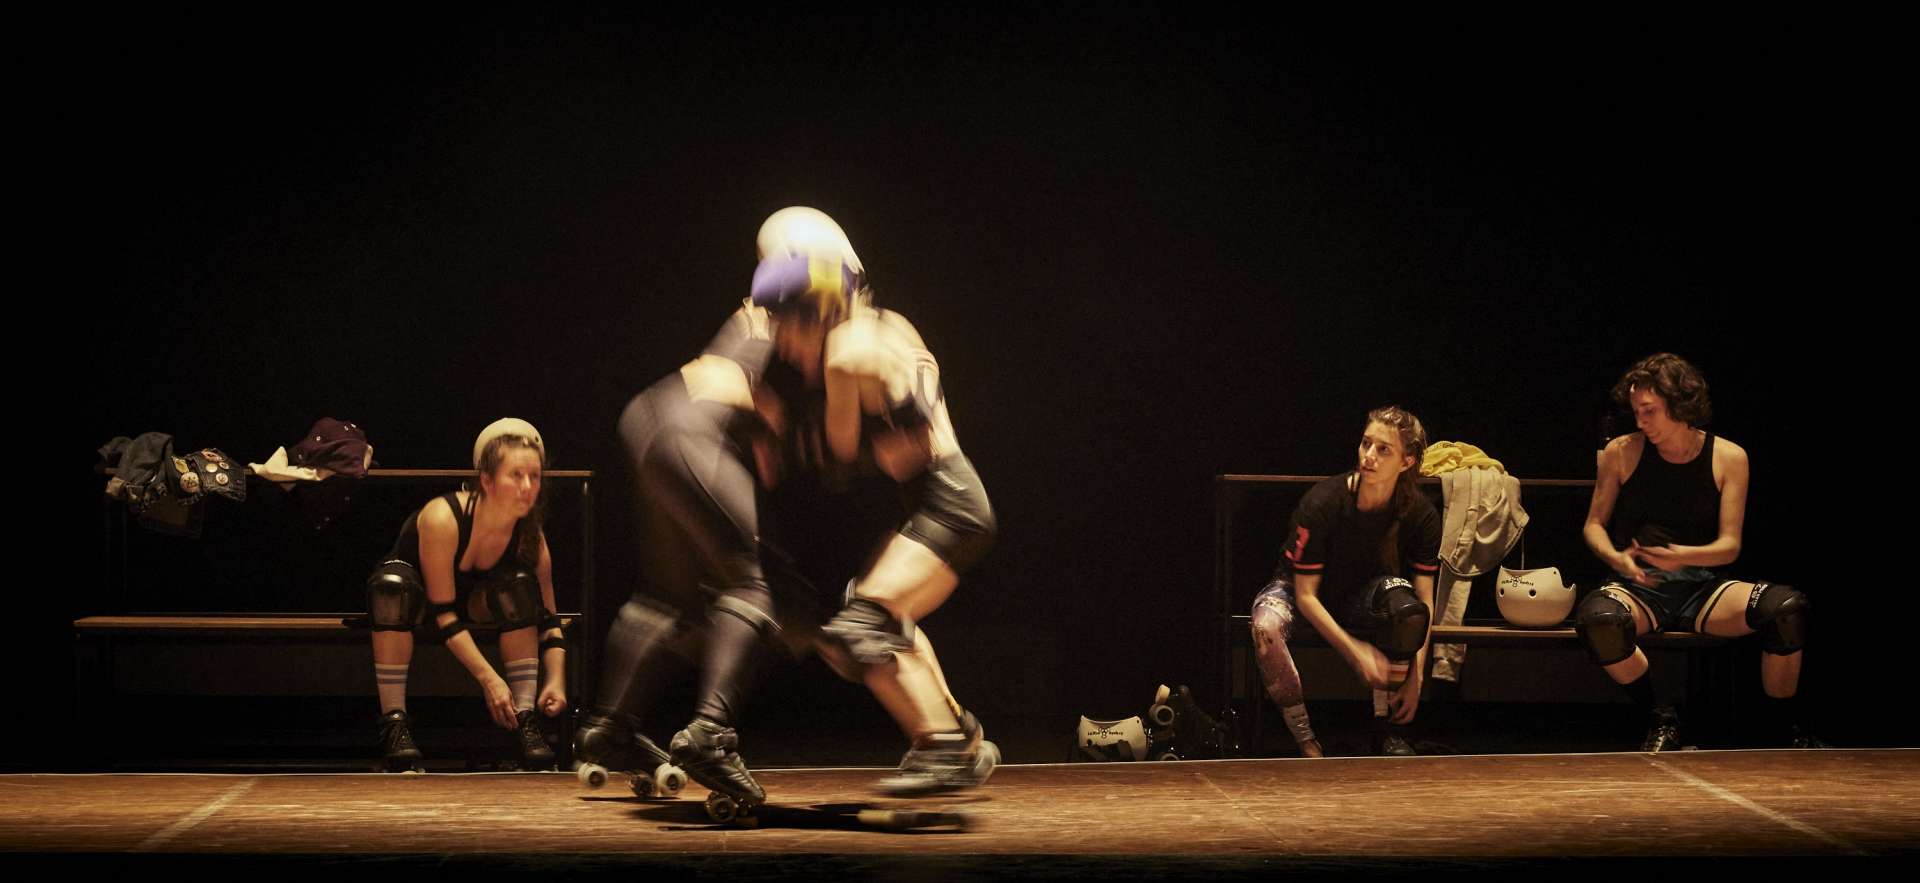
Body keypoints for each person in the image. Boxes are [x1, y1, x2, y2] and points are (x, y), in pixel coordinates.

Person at [750, 206, 1000, 794]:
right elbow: (903, 443)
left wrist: (782, 435)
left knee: (862, 628)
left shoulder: (843, 353)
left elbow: (842, 457)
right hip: (950, 500)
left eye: (784, 326)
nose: (782, 345)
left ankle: (943, 751)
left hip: (949, 505)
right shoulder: (891, 326)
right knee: (878, 615)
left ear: (815, 308)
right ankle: (956, 734)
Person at [1577, 353, 1815, 751]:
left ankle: (1782, 731)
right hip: (1640, 587)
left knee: (1786, 609)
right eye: (1636, 412)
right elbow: (1594, 525)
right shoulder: (1622, 451)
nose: (1640, 422)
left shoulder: (1729, 457)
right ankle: (1659, 715)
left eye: (1649, 411)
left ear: (1679, 404)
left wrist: (1683, 556)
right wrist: (1616, 558)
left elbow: (1729, 547)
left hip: (1704, 589)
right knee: (1599, 621)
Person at [368, 418, 567, 770]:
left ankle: (524, 718)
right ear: (487, 480)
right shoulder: (443, 517)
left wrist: (556, 681)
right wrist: (490, 679)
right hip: (420, 595)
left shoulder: (529, 535)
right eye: (515, 475)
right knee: (392, 590)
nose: (526, 487)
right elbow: (444, 614)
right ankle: (394, 722)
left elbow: (549, 619)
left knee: (519, 588)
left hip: (471, 601)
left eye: (534, 477)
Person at [1249, 406, 1439, 757]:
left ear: (1407, 461)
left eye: (1384, 450)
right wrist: (1355, 652)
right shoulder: (1323, 503)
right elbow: (1306, 595)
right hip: (1299, 591)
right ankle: (1306, 741)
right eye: (1366, 443)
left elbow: (1425, 601)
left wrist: (1417, 674)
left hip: (1359, 593)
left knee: (1404, 607)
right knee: (1265, 627)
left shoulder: (1420, 514)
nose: (1369, 456)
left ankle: (1388, 732)